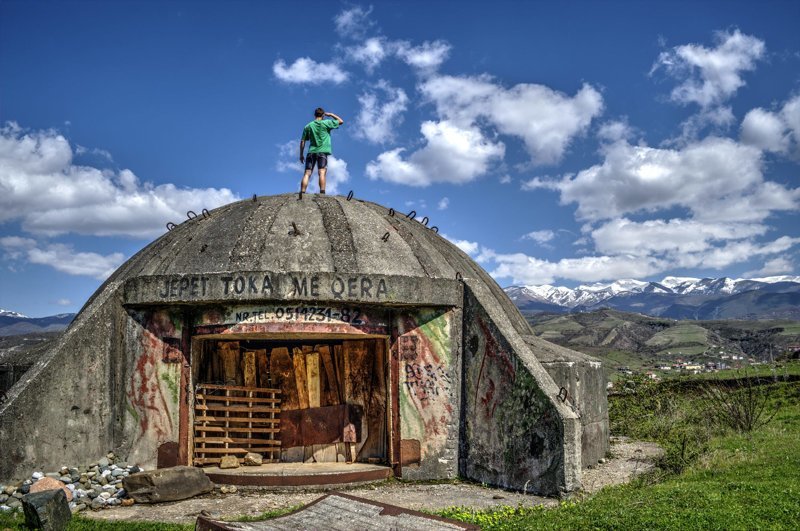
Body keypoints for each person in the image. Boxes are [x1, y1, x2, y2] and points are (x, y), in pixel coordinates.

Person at [299, 107, 344, 199]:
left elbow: (302, 141)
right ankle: (322, 193)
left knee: (307, 173)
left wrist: (301, 154)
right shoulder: (327, 123)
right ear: (323, 115)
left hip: (311, 152)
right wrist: (331, 114)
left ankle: (302, 193)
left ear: (314, 115)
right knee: (322, 172)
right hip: (322, 152)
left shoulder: (308, 126)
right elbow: (341, 121)